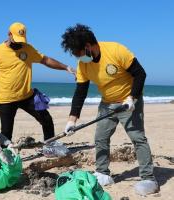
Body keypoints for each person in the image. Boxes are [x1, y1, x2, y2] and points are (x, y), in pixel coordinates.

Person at [61, 24, 158, 195]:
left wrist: (132, 98)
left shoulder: (116, 50)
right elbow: (80, 92)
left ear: (88, 46)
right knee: (100, 138)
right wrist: (72, 119)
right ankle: (102, 173)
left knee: (137, 138)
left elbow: (140, 74)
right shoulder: (83, 65)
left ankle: (149, 178)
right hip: (107, 103)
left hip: (129, 101)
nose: (78, 58)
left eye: (78, 53)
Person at [0, 22, 76, 142]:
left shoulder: (28, 48)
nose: (19, 43)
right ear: (9, 34)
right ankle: (6, 158)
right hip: (6, 98)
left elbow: (45, 60)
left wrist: (66, 67)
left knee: (46, 119)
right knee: (6, 133)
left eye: (21, 40)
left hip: (27, 96)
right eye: (16, 39)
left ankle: (49, 146)